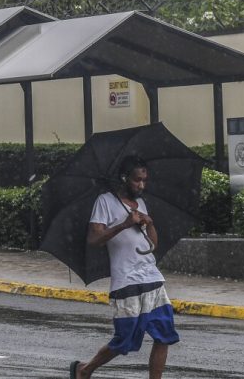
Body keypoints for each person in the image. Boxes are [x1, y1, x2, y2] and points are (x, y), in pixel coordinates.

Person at [71, 155, 178, 379]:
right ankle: (85, 370)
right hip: (126, 281)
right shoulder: (105, 202)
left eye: (144, 180)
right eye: (137, 180)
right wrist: (124, 224)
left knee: (164, 335)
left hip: (152, 277)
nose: (142, 185)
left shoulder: (141, 204)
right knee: (125, 340)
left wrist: (150, 224)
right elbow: (94, 238)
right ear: (124, 178)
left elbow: (152, 245)